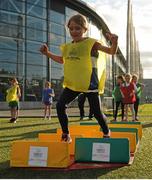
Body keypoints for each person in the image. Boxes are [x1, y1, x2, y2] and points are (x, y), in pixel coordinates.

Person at [40, 14, 118, 143]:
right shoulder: (67, 47)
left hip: (89, 84)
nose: (74, 31)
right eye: (71, 29)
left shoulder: (92, 43)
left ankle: (106, 131)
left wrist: (114, 42)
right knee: (60, 106)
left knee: (97, 113)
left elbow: (111, 51)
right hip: (73, 84)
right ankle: (66, 134)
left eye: (77, 28)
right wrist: (47, 53)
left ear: (84, 29)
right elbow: (61, 60)